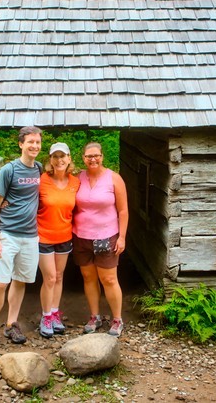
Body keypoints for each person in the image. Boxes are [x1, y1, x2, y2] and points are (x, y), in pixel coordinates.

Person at [0, 126, 43, 349]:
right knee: (0, 283)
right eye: (30, 142)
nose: (34, 146)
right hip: (7, 234)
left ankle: (12, 323)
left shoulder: (38, 169)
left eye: (37, 142)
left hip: (30, 236)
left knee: (20, 281)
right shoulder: (8, 170)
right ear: (21, 144)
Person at [72, 142, 129, 337]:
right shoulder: (79, 178)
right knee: (88, 277)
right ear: (83, 158)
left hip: (106, 235)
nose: (93, 159)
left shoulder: (114, 179)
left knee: (109, 278)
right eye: (89, 156)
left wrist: (121, 237)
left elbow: (123, 210)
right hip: (81, 236)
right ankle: (94, 316)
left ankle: (117, 319)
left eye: (96, 155)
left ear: (102, 156)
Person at [36, 142, 80, 338]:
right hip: (43, 235)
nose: (59, 160)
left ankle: (54, 313)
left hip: (65, 236)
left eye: (63, 156)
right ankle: (45, 316)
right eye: (55, 156)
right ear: (50, 160)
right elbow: (25, 198)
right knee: (50, 277)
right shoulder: (41, 180)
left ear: (69, 159)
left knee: (59, 276)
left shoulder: (75, 183)